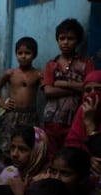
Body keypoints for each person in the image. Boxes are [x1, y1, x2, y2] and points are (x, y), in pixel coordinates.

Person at [41, 18, 95, 160]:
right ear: (57, 40)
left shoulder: (86, 63)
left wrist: (63, 84)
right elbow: (48, 91)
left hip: (76, 121)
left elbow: (90, 88)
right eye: (62, 38)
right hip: (51, 120)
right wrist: (77, 87)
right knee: (52, 157)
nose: (65, 42)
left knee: (71, 158)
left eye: (70, 38)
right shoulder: (51, 65)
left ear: (77, 40)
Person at [0, 37, 41, 164]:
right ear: (16, 54)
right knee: (9, 144)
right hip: (13, 115)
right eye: (20, 53)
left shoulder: (37, 74)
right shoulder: (11, 73)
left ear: (34, 55)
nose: (23, 56)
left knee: (30, 144)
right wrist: (3, 104)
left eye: (27, 53)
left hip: (30, 115)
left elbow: (46, 89)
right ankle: (7, 170)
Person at [64, 70, 101, 187]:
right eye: (88, 90)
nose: (92, 94)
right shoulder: (82, 110)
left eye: (98, 89)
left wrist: (89, 123)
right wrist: (86, 159)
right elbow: (71, 144)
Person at [0, 125, 48, 195]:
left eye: (22, 149)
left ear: (37, 151)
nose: (14, 154)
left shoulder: (46, 183)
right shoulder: (9, 174)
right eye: (13, 147)